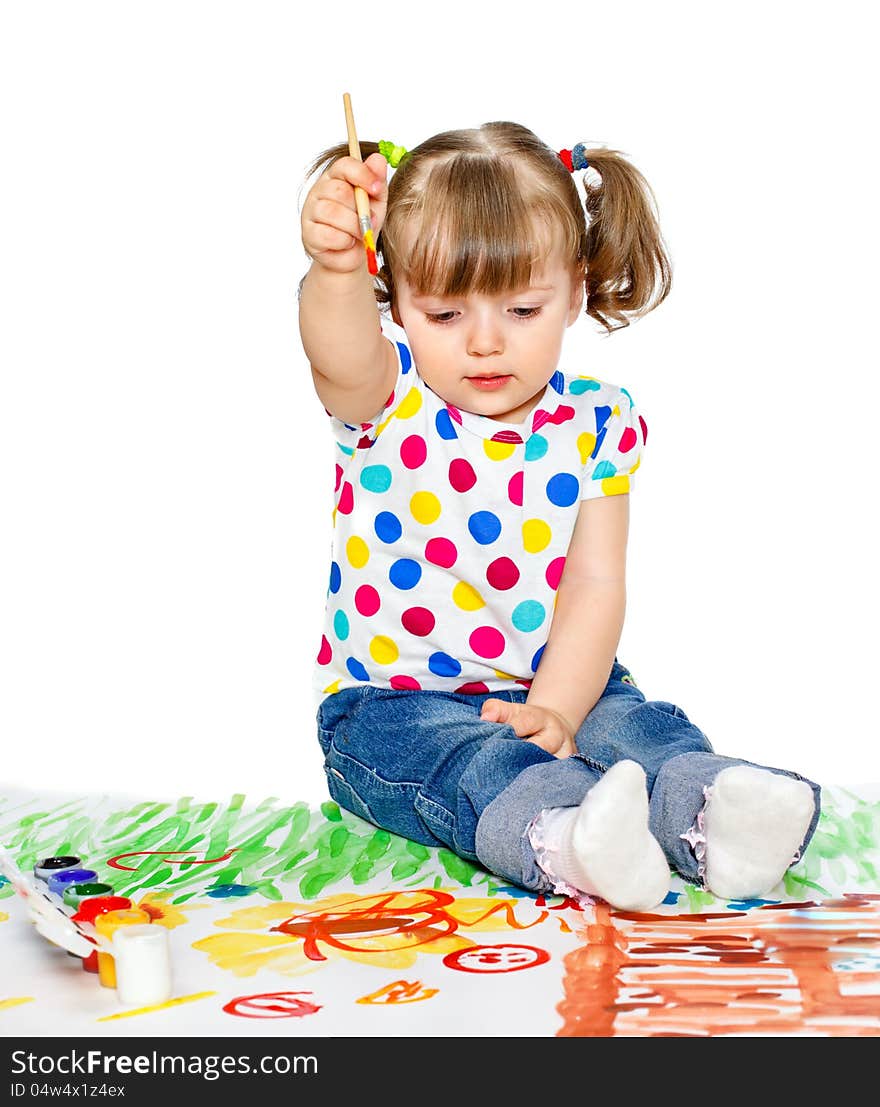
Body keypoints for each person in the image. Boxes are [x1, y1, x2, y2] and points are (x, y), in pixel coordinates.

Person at [297, 121, 820, 911]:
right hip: (392, 703)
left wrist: (559, 707)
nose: (483, 342)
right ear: (395, 300)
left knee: (638, 734)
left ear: (575, 288)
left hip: (562, 677)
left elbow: (596, 584)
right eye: (443, 314)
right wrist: (336, 265)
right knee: (473, 763)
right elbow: (336, 350)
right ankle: (568, 836)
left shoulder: (596, 422)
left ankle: (719, 815)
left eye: (521, 308)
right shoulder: (388, 399)